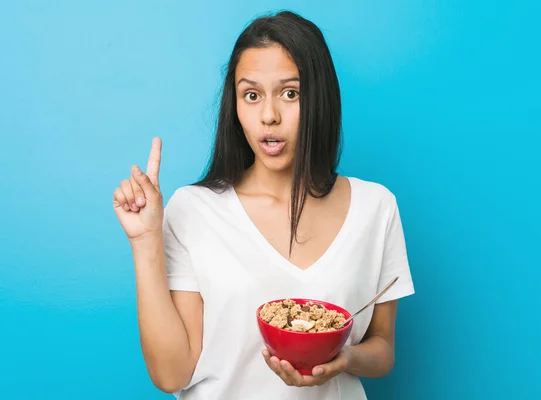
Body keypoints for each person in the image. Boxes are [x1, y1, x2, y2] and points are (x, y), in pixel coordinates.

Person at [113, 10, 415, 400]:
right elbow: (172, 374)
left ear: (319, 98)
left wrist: (344, 359)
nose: (269, 116)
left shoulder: (376, 207)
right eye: (251, 95)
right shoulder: (193, 210)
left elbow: (383, 350)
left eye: (291, 93)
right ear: (234, 105)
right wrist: (145, 241)